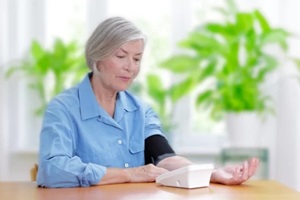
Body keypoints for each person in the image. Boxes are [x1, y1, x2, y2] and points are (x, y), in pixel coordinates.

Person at [36, 16, 259, 188]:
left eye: (137, 58)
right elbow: (52, 170)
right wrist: (129, 174)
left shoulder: (140, 111)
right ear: (97, 58)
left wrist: (212, 173)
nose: (130, 67)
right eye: (121, 56)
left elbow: (164, 158)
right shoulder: (63, 109)